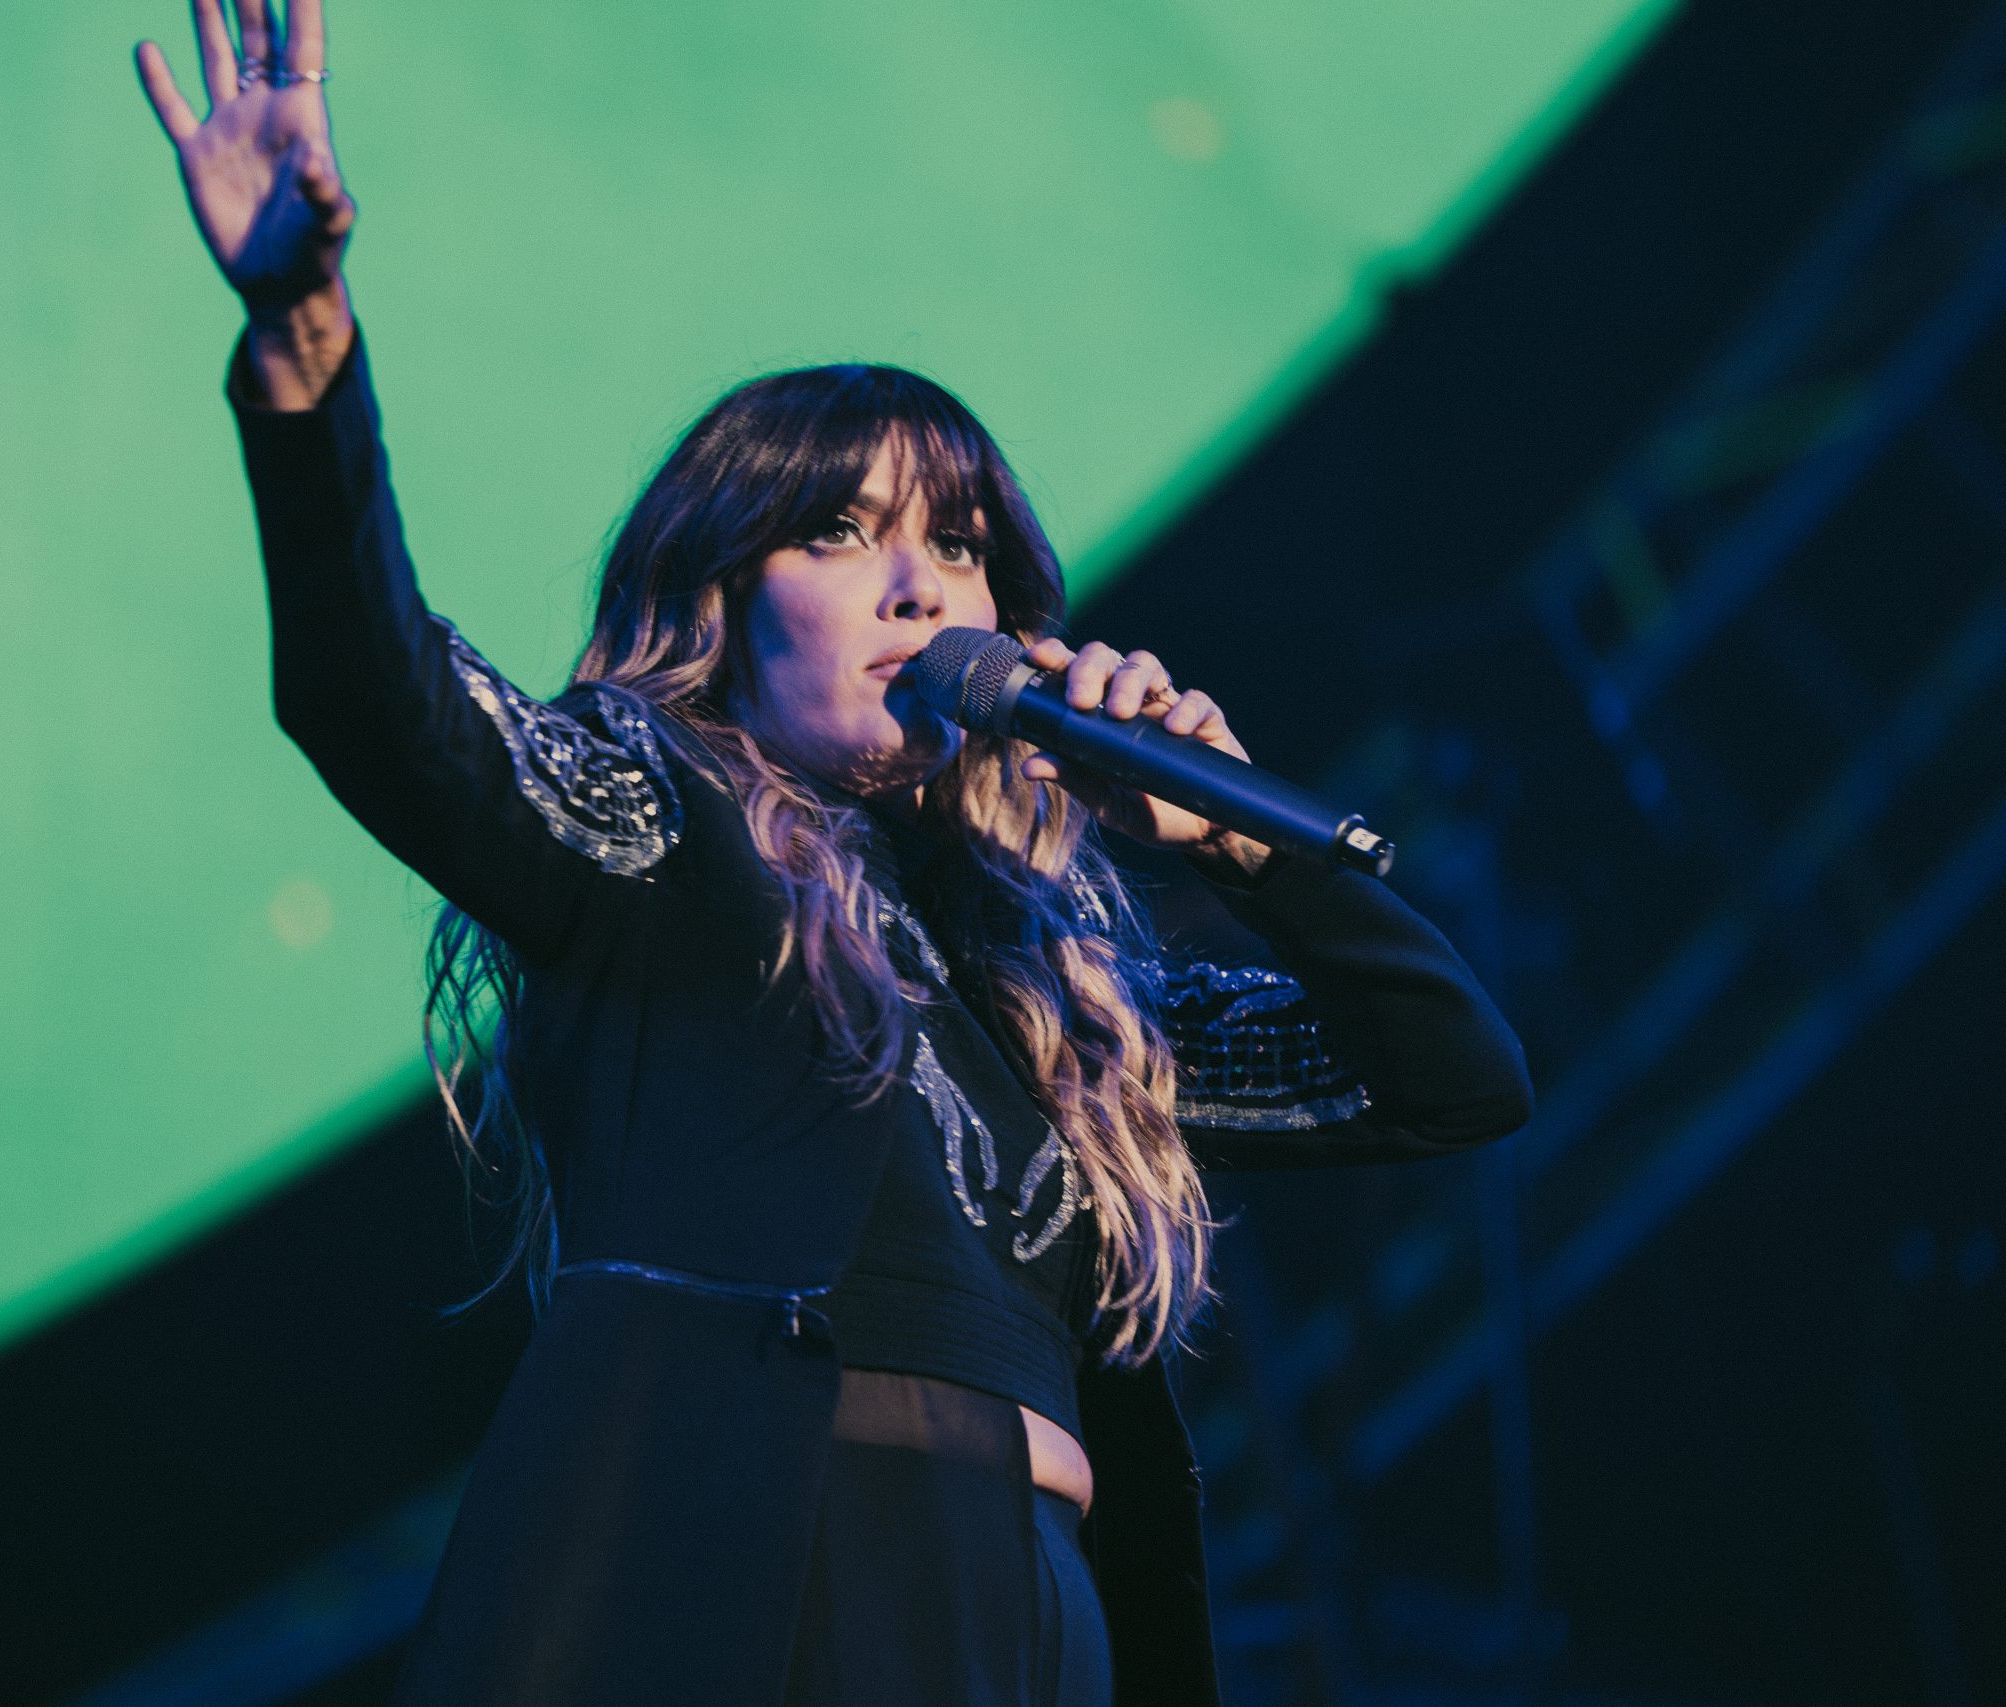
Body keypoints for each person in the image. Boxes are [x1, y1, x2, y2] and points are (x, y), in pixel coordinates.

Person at [134, 4, 1534, 1703]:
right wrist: (304, 341)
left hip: (1049, 1612)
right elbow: (384, 705)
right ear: (721, 604)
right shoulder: (664, 837)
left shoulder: (1058, 989)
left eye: (960, 543)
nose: (922, 586)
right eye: (840, 531)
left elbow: (1453, 1081)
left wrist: (1249, 852)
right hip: (776, 1578)